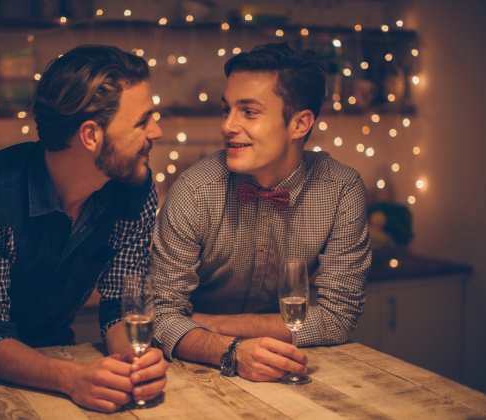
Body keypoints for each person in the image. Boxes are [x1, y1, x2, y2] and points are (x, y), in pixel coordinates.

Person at [0, 45, 168, 413]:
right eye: (142, 121)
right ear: (91, 135)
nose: (158, 131)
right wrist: (72, 379)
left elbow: (122, 305)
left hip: (55, 348)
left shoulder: (134, 189)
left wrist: (137, 361)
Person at [150, 42, 371, 381]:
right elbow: (161, 314)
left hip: (291, 364)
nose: (227, 126)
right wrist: (226, 347)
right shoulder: (195, 191)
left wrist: (208, 322)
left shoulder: (340, 191)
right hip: (194, 370)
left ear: (300, 124)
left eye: (248, 112)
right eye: (227, 110)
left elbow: (338, 317)